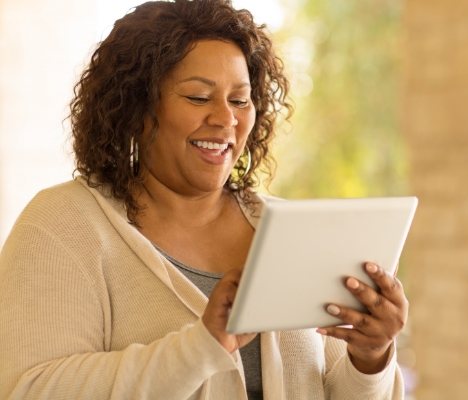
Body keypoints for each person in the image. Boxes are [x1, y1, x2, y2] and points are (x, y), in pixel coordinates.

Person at [0, 0, 409, 399]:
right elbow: (30, 390)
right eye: (198, 97)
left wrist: (369, 357)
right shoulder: (62, 225)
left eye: (239, 99)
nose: (225, 119)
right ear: (135, 108)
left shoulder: (298, 232)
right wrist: (199, 347)